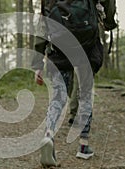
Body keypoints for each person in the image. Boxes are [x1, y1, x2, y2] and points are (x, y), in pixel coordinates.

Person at [32, 4, 104, 168]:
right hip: (87, 46)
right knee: (85, 94)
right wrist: (108, 22)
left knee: (59, 96)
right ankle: (83, 145)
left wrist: (37, 63)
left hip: (59, 47)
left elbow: (43, 22)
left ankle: (49, 134)